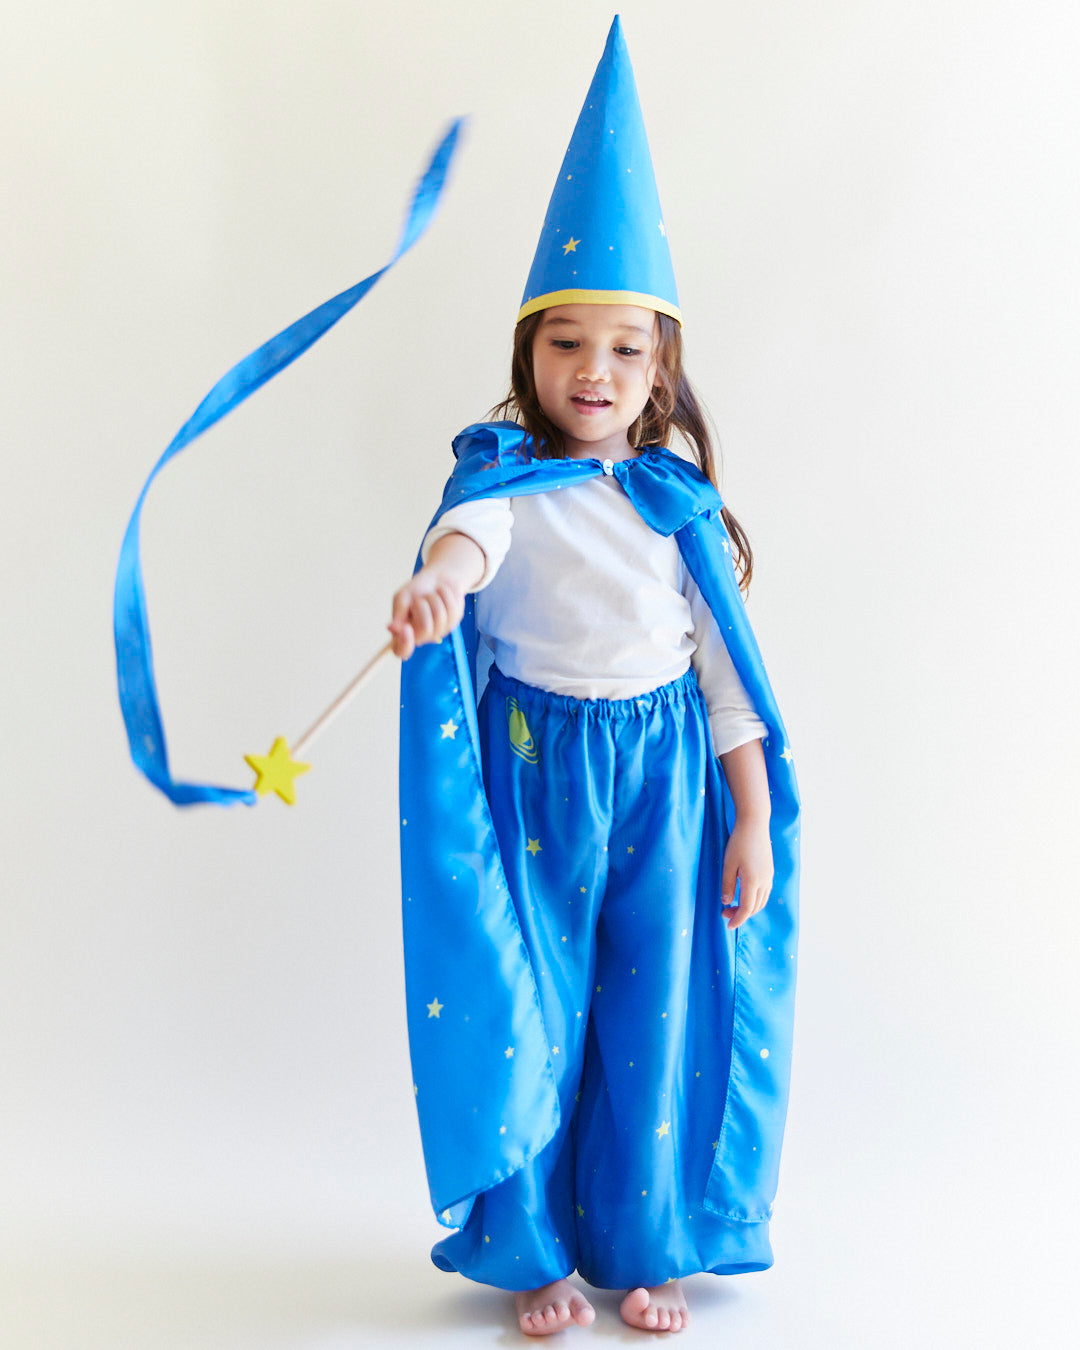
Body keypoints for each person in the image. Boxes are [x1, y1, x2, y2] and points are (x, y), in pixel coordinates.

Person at [388, 17, 799, 1338]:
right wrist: (436, 581)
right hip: (535, 774)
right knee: (540, 1006)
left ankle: (645, 1242)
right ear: (530, 356)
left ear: (662, 364)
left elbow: (727, 684)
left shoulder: (674, 504)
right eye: (566, 344)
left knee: (652, 1014)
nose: (594, 373)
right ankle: (537, 1248)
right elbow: (468, 543)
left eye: (624, 349)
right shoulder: (504, 482)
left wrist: (749, 816)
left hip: (665, 780)